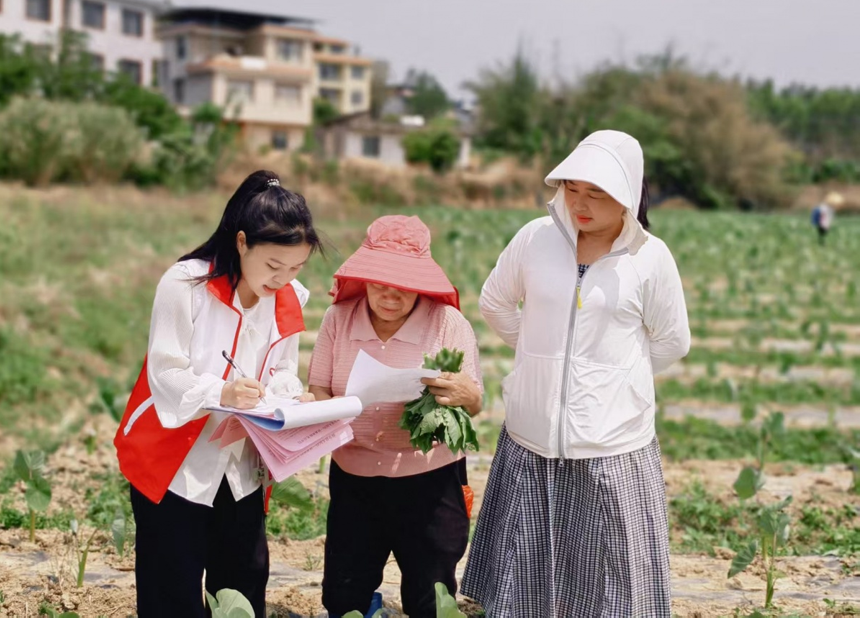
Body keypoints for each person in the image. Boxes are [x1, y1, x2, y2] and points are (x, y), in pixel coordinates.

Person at [461, 131, 691, 617]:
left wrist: (613, 378)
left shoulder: (649, 257)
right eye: (572, 189)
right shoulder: (535, 238)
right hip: (532, 435)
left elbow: (672, 340)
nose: (580, 204)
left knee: (612, 578)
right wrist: (542, 356)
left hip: (613, 442)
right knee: (525, 573)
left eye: (596, 194)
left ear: (627, 194)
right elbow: (495, 302)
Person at [114, 170, 322, 618]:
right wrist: (222, 391)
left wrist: (290, 399)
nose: (282, 279)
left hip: (241, 465)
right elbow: (166, 372)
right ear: (242, 242)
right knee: (171, 591)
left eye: (295, 268)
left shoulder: (289, 295)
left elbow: (283, 370)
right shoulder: (185, 284)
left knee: (242, 587)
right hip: (175, 463)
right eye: (273, 266)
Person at [308, 215, 483, 618]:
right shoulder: (339, 318)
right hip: (354, 476)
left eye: (403, 286)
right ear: (365, 278)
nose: (390, 295)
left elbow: (474, 402)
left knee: (430, 597)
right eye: (379, 283)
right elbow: (319, 386)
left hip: (430, 479)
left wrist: (464, 393)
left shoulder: (447, 323)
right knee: (344, 595)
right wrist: (326, 411)